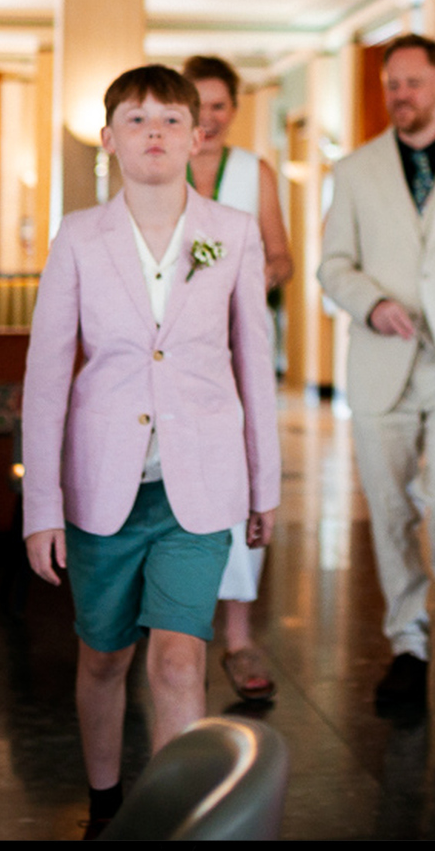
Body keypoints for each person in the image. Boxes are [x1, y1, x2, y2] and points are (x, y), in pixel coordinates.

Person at [22, 64, 280, 836]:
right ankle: (104, 806)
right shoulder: (77, 235)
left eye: (171, 119)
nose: (156, 132)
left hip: (199, 485)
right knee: (104, 658)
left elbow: (255, 365)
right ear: (109, 139)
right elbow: (45, 377)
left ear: (198, 135)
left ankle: (175, 820)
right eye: (136, 120)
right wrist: (43, 506)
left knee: (178, 659)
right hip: (102, 488)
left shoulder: (233, 234)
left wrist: (265, 488)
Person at [319, 33, 435, 708]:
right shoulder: (355, 171)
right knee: (390, 511)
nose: (401, 96)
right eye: (393, 85)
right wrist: (374, 303)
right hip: (382, 359)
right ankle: (408, 646)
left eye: (413, 83)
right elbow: (332, 265)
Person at [181, 54, 293, 703]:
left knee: (247, 478)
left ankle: (241, 633)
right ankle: (179, 629)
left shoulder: (255, 173)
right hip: (176, 356)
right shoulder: (158, 167)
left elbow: (281, 255)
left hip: (240, 348)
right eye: (197, 104)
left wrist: (248, 281)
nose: (209, 117)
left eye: (220, 104)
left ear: (234, 109)